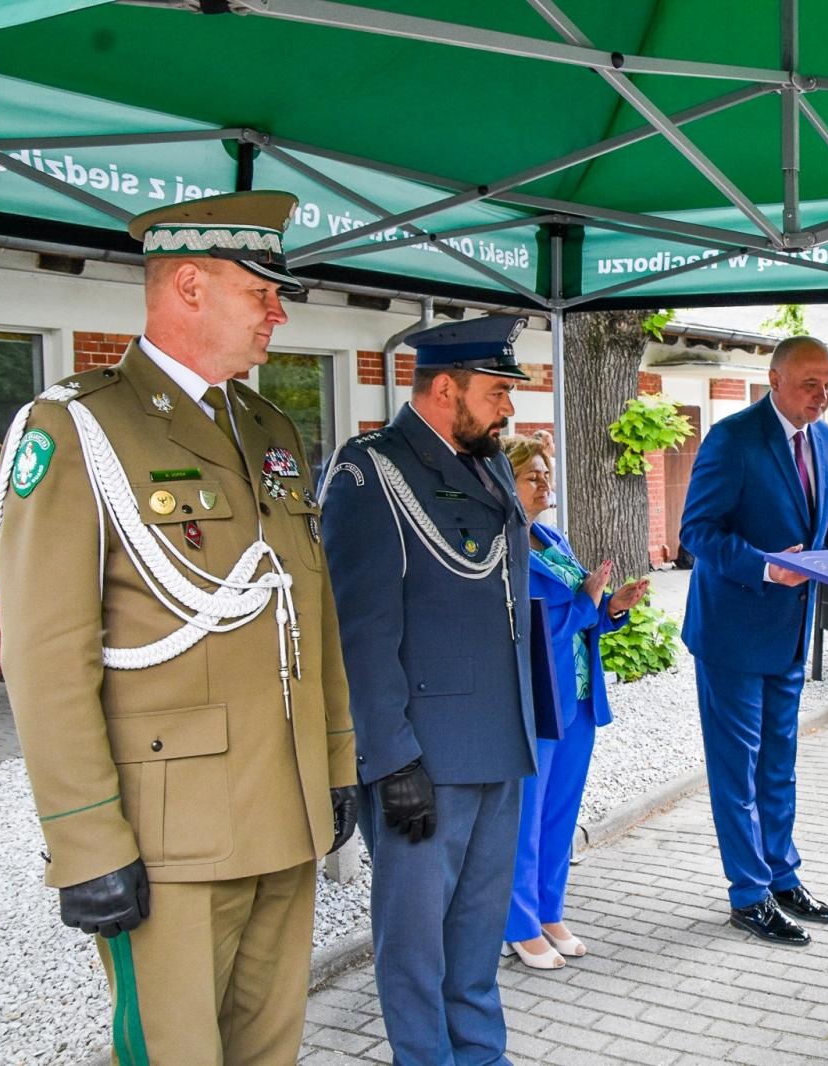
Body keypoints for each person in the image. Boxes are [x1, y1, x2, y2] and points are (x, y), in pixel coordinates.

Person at [0, 190, 358, 1064]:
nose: (279, 310)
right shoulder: (78, 426)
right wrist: (85, 839)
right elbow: (46, 658)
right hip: (171, 838)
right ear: (188, 284)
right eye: (259, 290)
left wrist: (337, 762)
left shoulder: (267, 426)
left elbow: (310, 609)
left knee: (270, 1050)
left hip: (286, 811)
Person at [320, 314, 536, 1065]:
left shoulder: (487, 463)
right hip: (426, 760)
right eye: (497, 390)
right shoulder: (369, 471)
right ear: (445, 388)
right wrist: (388, 759)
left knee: (476, 946)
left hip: (498, 744)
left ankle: (482, 1056)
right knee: (415, 952)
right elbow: (361, 631)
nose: (509, 406)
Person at [679, 335, 828, 946]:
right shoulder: (732, 438)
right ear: (775, 379)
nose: (823, 394)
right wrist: (764, 564)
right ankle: (749, 895)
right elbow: (697, 532)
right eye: (811, 383)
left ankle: (783, 876)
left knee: (778, 764)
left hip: (791, 631)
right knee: (738, 769)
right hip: (733, 631)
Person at [501, 436, 650, 969]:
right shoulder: (504, 546)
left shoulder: (551, 537)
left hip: (579, 699)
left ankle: (549, 909)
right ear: (505, 481)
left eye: (547, 474)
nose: (546, 484)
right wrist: (589, 605)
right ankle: (517, 923)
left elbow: (580, 610)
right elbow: (529, 632)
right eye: (533, 476)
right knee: (526, 816)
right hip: (537, 700)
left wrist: (611, 606)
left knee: (560, 815)